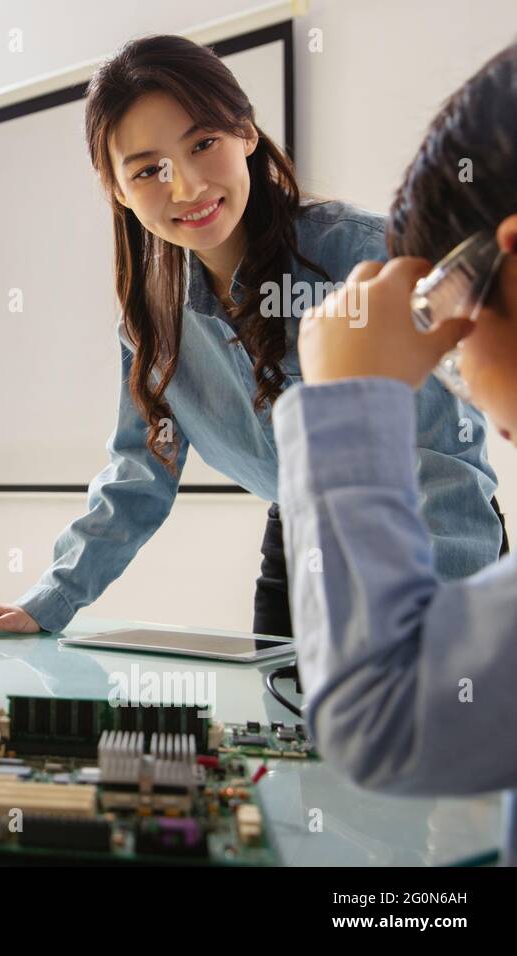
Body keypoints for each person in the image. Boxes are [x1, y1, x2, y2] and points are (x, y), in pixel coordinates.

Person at [0, 34, 503, 639]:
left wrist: (447, 639)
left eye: (203, 143)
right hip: (299, 541)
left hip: (428, 531)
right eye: (148, 170)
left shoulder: (364, 257)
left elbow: (442, 461)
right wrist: (47, 603)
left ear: (246, 132)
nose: (187, 188)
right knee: (284, 730)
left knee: (429, 726)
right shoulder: (152, 314)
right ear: (116, 188)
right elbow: (142, 469)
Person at [276, 42, 517, 864]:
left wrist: (344, 403)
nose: (457, 379)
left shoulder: (332, 242)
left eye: (447, 335)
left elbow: (379, 714)